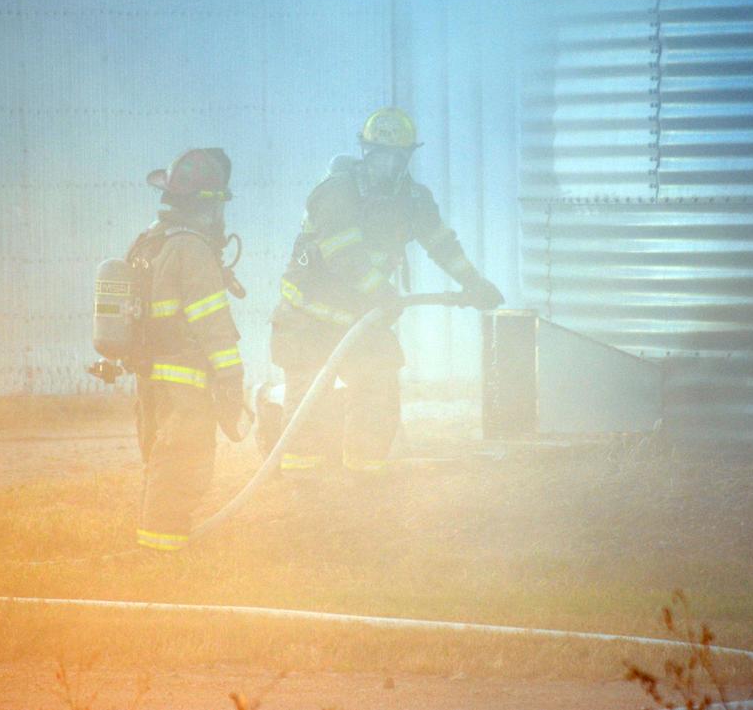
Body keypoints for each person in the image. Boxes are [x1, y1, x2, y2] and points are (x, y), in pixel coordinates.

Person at [269, 107, 504, 473]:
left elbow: (441, 242)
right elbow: (343, 253)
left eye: (397, 157)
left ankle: (365, 478)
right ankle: (305, 489)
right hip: (309, 319)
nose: (389, 166)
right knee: (310, 406)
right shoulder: (337, 192)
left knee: (378, 390)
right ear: (366, 152)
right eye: (381, 156)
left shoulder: (413, 199)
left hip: (365, 317)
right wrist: (380, 291)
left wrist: (474, 283)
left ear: (408, 156)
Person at [128, 148, 245, 552]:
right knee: (183, 462)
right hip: (184, 380)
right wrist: (232, 379)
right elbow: (212, 322)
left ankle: (157, 542)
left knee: (161, 459)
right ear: (206, 207)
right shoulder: (191, 250)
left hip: (151, 376)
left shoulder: (150, 242)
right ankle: (162, 555)